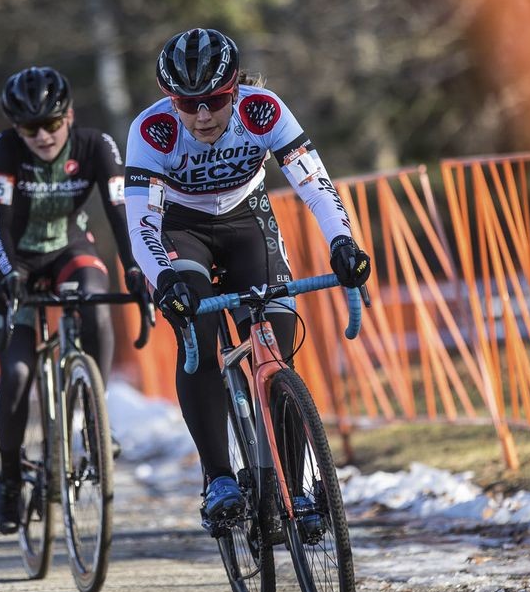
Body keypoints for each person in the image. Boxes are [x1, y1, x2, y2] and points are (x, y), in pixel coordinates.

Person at [123, 28, 371, 530]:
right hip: (181, 231)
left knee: (277, 348)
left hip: (247, 223)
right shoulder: (152, 131)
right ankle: (218, 477)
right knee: (198, 333)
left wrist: (343, 242)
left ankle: (293, 487)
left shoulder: (265, 110)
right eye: (186, 103)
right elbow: (142, 223)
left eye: (214, 100)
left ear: (234, 89)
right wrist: (165, 279)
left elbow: (317, 187)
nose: (202, 115)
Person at [0, 66, 149, 533]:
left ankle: (95, 416)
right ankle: (12, 478)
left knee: (95, 302)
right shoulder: (4, 149)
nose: (42, 136)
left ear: (69, 117)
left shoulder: (97, 146)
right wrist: (10, 271)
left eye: (52, 124)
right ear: (17, 129)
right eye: (30, 128)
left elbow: (121, 212)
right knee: (17, 374)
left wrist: (135, 268)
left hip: (69, 250)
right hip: (9, 259)